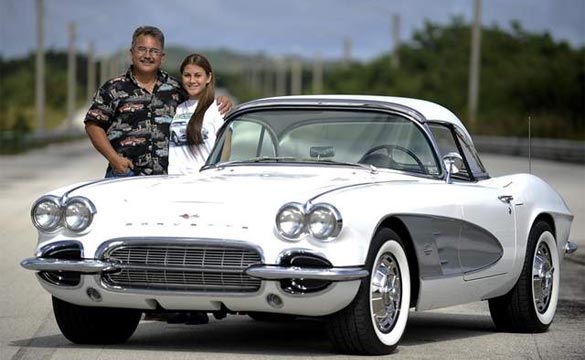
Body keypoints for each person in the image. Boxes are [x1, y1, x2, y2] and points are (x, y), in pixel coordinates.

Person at [84, 26, 232, 177]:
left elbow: (198, 103)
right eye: (142, 49)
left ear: (162, 56)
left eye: (154, 51)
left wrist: (221, 101)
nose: (147, 55)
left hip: (167, 180)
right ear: (132, 53)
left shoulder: (176, 88)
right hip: (125, 175)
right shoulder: (114, 88)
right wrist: (113, 159)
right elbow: (93, 124)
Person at [168, 53, 224, 174]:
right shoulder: (178, 108)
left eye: (198, 75)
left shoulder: (217, 109)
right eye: (187, 75)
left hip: (203, 182)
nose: (192, 80)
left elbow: (225, 152)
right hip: (174, 181)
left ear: (208, 78)